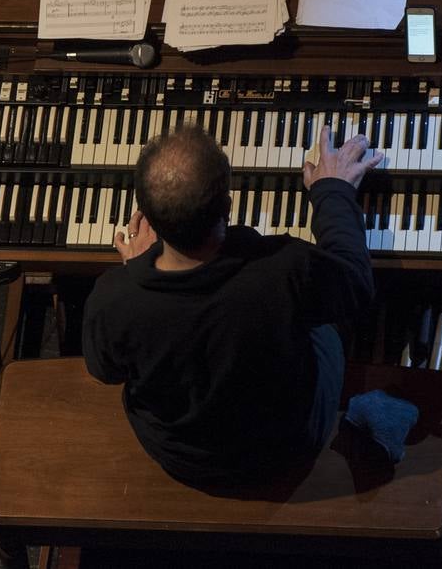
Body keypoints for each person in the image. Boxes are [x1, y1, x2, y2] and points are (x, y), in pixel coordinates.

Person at [81, 123, 383, 486]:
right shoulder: (282, 270)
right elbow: (355, 282)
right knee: (324, 325)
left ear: (148, 214)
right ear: (227, 205)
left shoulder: (114, 297)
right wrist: (332, 189)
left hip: (183, 456)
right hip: (288, 445)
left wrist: (141, 270)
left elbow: (106, 371)